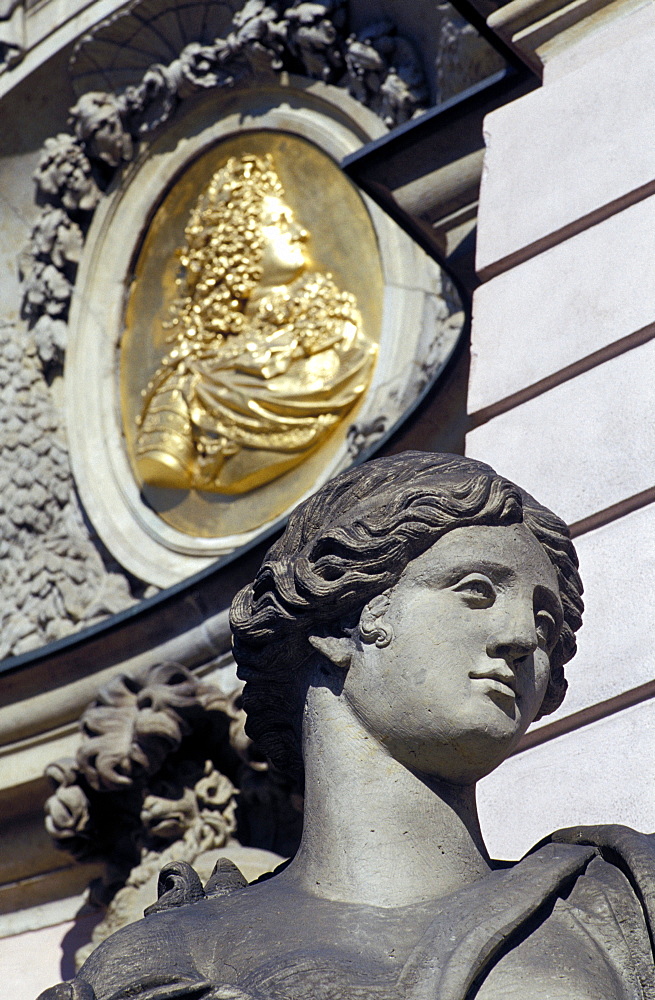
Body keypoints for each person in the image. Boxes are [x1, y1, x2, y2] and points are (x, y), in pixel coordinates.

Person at [40, 452, 655, 1000]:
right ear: (340, 624)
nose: (524, 638)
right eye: (476, 591)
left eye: (546, 625)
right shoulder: (160, 959)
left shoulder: (619, 901)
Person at [134, 153, 376, 495]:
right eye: (279, 222)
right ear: (241, 241)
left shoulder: (341, 339)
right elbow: (161, 465)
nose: (301, 232)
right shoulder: (187, 381)